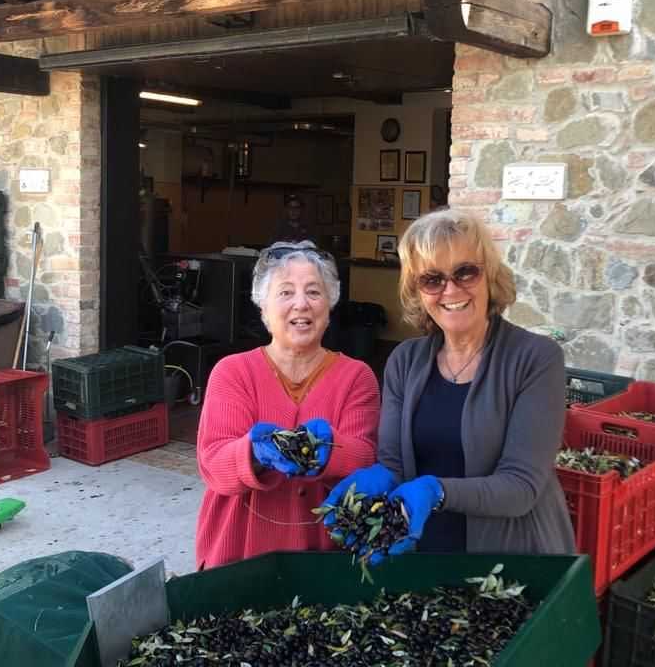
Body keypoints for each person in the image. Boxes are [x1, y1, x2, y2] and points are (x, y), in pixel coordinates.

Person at [321, 209, 574, 560]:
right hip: (421, 548)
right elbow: (394, 462)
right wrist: (375, 478)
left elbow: (521, 486)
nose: (451, 290)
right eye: (432, 279)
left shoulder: (535, 358)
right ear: (417, 291)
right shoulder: (405, 361)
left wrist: (436, 491)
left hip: (512, 556)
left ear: (490, 276)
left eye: (465, 272)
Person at [195, 241, 380, 569]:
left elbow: (365, 457)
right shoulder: (233, 372)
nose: (301, 304)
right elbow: (214, 467)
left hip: (324, 554)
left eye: (313, 291)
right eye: (285, 292)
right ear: (263, 307)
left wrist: (329, 448)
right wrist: (251, 452)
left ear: (329, 305)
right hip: (237, 549)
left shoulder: (356, 377)